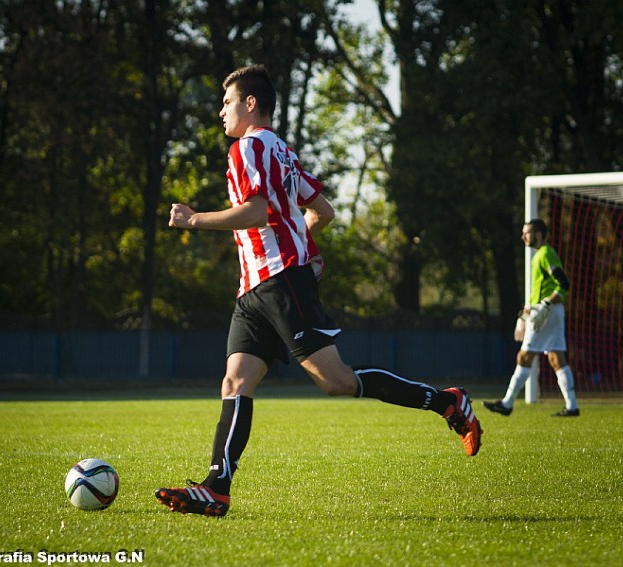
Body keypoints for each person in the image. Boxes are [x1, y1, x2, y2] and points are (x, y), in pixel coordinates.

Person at [154, 64, 482, 517]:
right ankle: (217, 486)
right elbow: (321, 210)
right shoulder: (281, 151)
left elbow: (255, 212)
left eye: (227, 102)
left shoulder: (247, 147)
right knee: (235, 381)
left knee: (337, 381)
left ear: (251, 104)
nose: (220, 111)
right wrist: (303, 245)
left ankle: (448, 402)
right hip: (256, 287)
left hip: (279, 280)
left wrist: (194, 220)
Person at [484, 218, 580, 418]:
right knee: (556, 358)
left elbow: (563, 283)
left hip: (547, 312)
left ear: (538, 234)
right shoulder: (539, 256)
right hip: (548, 310)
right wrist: (525, 313)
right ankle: (572, 407)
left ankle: (507, 403)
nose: (523, 236)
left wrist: (546, 303)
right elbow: (541, 288)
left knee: (524, 356)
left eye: (526, 232)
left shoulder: (545, 253)